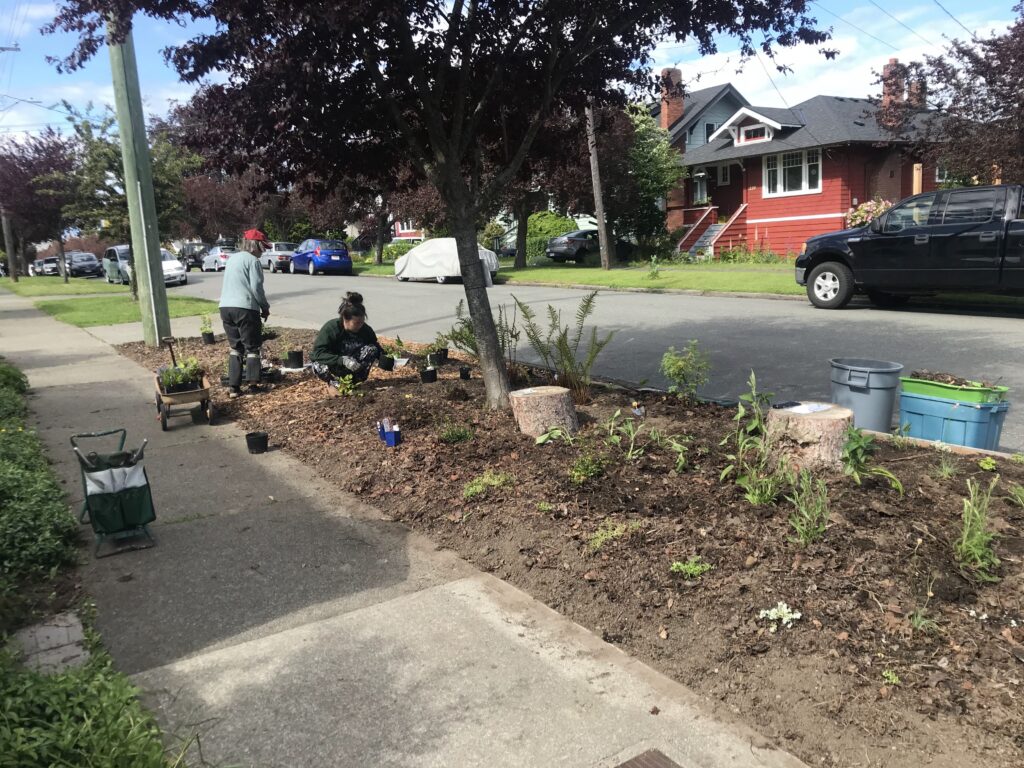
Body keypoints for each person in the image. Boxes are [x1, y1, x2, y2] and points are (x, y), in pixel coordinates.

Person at [219, 229, 271, 398]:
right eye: (262, 247)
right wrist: (265, 307)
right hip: (245, 308)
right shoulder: (253, 261)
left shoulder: (232, 259)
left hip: (225, 308)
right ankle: (253, 385)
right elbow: (256, 287)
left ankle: (234, 388)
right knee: (252, 347)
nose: (263, 251)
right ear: (255, 245)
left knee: (235, 347)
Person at [311, 292, 382, 384]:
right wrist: (342, 360)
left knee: (372, 349)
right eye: (356, 323)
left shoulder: (366, 329)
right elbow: (317, 354)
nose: (360, 326)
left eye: (362, 322)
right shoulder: (331, 328)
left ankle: (356, 381)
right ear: (345, 319)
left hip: (355, 366)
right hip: (334, 365)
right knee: (318, 365)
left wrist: (385, 358)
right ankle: (334, 384)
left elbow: (375, 345)